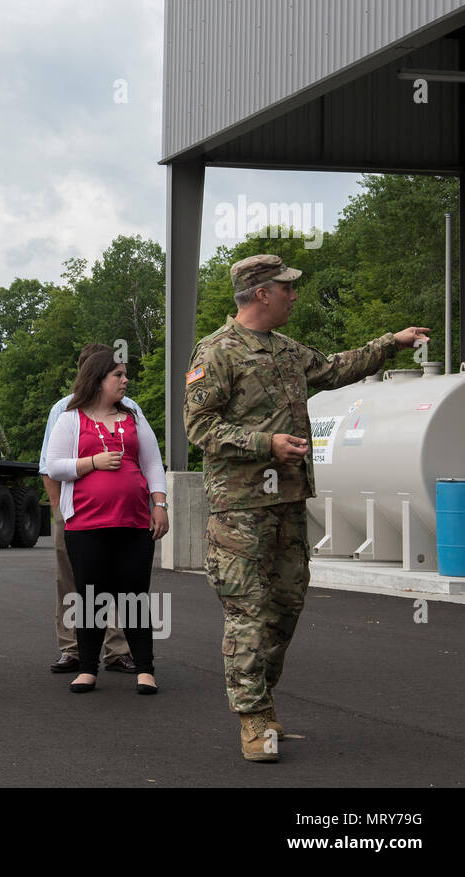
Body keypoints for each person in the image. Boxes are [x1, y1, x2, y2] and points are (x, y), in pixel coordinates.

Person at [184, 253, 429, 761]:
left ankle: (264, 701)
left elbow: (338, 368)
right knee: (248, 614)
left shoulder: (287, 350)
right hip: (241, 511)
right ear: (260, 294)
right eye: (287, 288)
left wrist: (391, 343)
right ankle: (252, 719)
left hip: (289, 504)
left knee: (284, 609)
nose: (294, 295)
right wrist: (264, 444)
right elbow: (199, 427)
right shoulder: (217, 352)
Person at [46, 347, 167, 695]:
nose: (126, 380)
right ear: (99, 380)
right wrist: (93, 463)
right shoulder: (70, 417)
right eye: (119, 375)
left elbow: (153, 465)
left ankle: (145, 668)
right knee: (90, 596)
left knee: (134, 594)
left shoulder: (134, 417)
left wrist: (160, 504)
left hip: (133, 523)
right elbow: (54, 466)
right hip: (85, 524)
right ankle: (87, 668)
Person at [38, 344, 141, 675]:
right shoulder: (63, 410)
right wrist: (59, 511)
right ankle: (73, 649)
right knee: (71, 582)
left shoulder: (131, 409)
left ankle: (119, 648)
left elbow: (144, 459)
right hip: (75, 515)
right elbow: (49, 465)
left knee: (120, 582)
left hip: (123, 515)